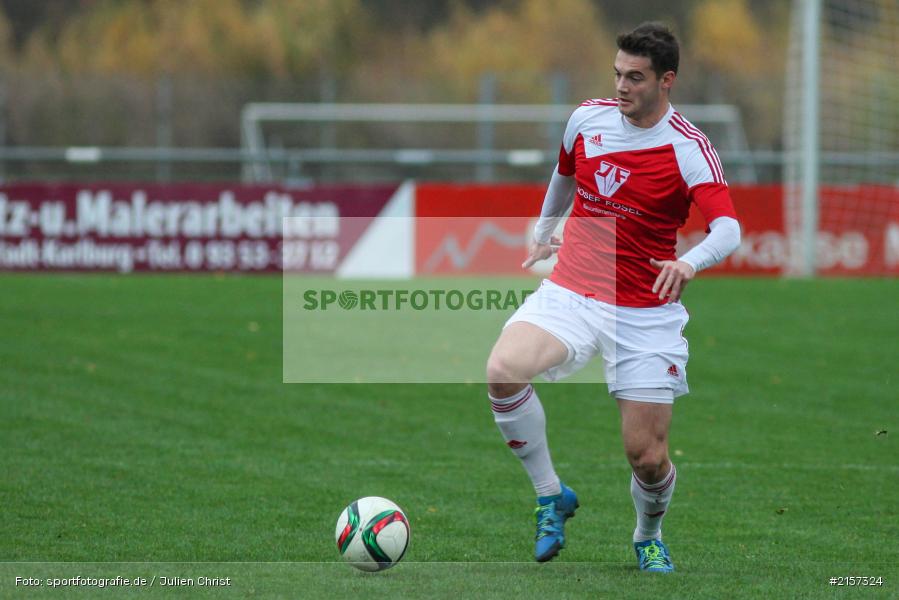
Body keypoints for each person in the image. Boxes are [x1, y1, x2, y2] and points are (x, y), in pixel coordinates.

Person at [485, 22, 742, 572]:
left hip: (646, 311)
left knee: (646, 458)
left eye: (636, 78)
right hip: (575, 288)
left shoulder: (688, 147)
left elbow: (727, 229)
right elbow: (564, 174)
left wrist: (688, 261)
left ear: (666, 80)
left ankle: (648, 534)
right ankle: (550, 494)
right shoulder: (587, 118)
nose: (621, 87)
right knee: (503, 370)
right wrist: (543, 229)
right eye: (617, 74)